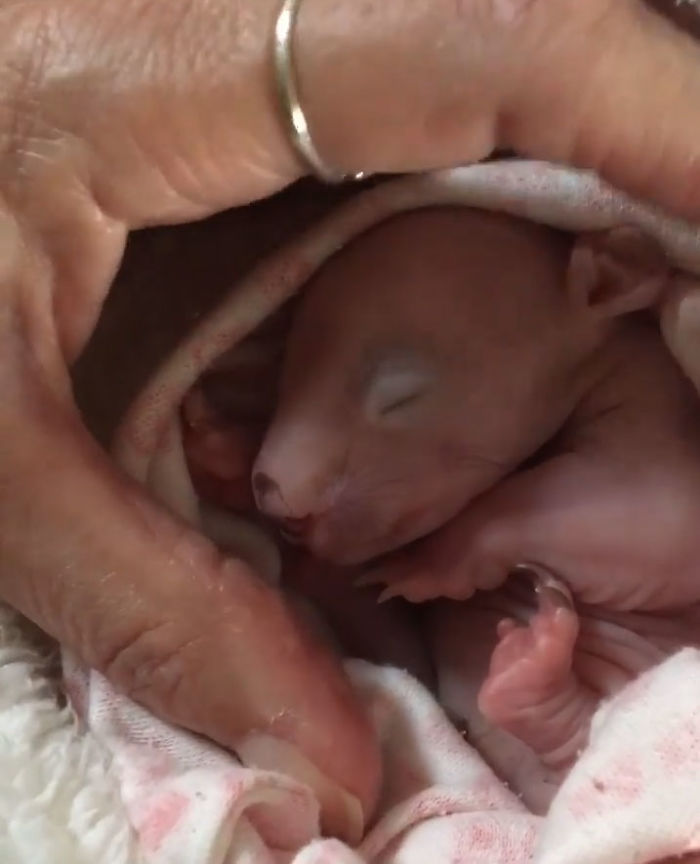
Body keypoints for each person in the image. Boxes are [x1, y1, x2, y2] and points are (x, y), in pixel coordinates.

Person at [2, 0, 700, 837]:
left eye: (398, 397)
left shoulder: (644, 408)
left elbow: (679, 531)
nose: (284, 472)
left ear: (608, 282)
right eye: (291, 393)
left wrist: (488, 539)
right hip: (560, 757)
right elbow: (392, 663)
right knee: (393, 666)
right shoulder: (457, 491)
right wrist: (294, 558)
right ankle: (558, 726)